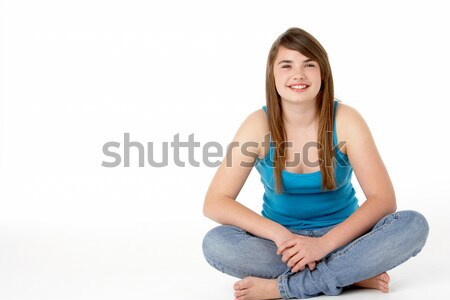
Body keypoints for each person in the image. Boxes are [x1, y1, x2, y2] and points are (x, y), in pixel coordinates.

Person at [201, 27, 429, 300]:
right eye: (286, 65)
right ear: (272, 75)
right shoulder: (257, 125)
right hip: (283, 246)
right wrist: (279, 235)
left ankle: (286, 287)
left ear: (323, 73)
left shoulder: (346, 120)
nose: (298, 74)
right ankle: (350, 273)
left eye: (309, 64)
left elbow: (383, 200)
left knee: (413, 225)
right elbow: (215, 202)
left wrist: (321, 246)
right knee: (215, 243)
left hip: (344, 239)